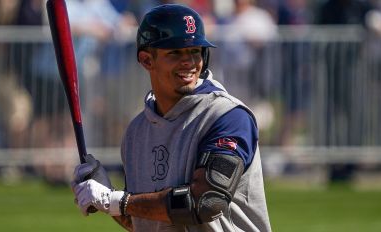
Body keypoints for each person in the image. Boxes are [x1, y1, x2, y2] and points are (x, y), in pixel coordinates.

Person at [71, 4, 271, 232]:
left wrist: (117, 201)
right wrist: (106, 195)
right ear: (147, 60)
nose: (189, 62)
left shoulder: (227, 117)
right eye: (175, 52)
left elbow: (205, 202)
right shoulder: (136, 132)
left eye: (195, 51)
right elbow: (146, 223)